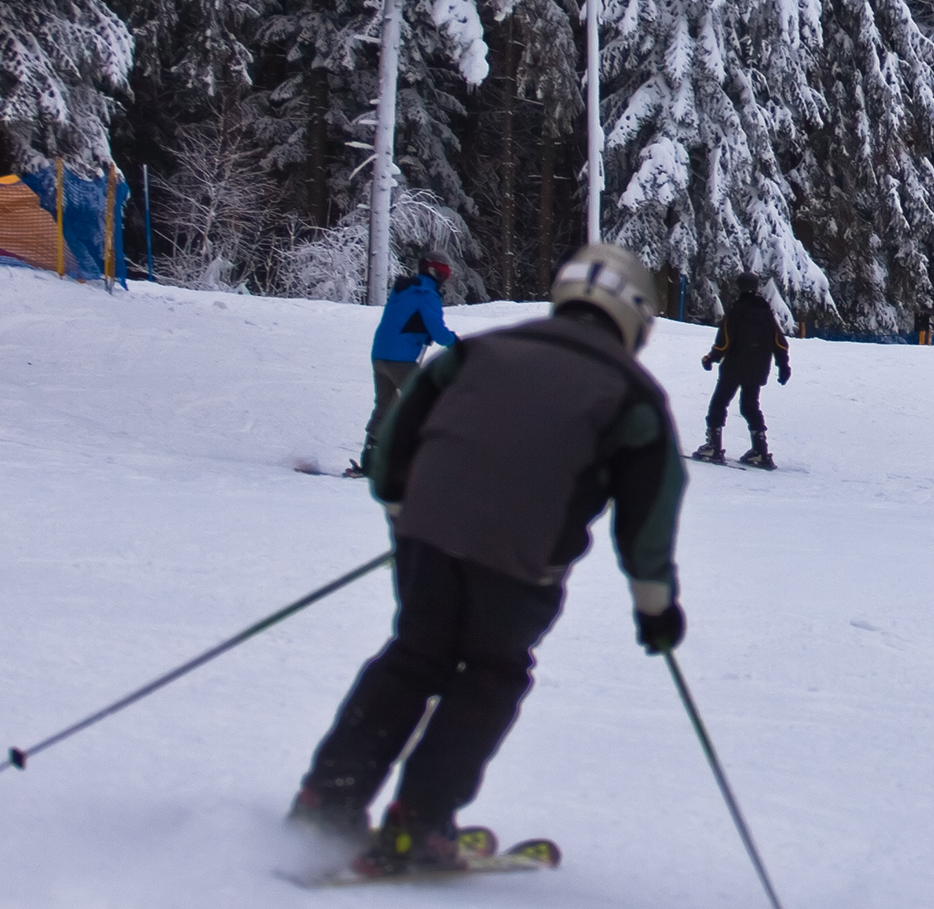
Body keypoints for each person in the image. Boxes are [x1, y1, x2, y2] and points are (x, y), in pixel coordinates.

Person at [291, 240, 687, 876]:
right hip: (520, 563)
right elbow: (650, 510)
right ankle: (417, 824)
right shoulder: (633, 396)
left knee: (414, 656)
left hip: (426, 535)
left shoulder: (482, 350)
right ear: (635, 316)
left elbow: (400, 431)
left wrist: (403, 510)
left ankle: (327, 799)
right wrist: (655, 604)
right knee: (489, 674)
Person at [348, 257, 455, 476]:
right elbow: (438, 329)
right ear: (434, 272)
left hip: (380, 356)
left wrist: (421, 332)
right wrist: (459, 346)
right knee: (428, 403)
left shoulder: (404, 288)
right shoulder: (426, 294)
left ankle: (370, 460)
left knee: (385, 405)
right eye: (443, 273)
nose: (444, 279)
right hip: (401, 360)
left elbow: (403, 320)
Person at [698, 283, 790, 468]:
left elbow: (724, 343)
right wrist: (783, 366)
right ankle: (760, 450)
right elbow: (780, 343)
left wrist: (711, 358)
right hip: (758, 369)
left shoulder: (735, 312)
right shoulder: (768, 316)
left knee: (719, 403)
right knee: (750, 406)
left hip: (734, 367)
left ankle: (713, 447)